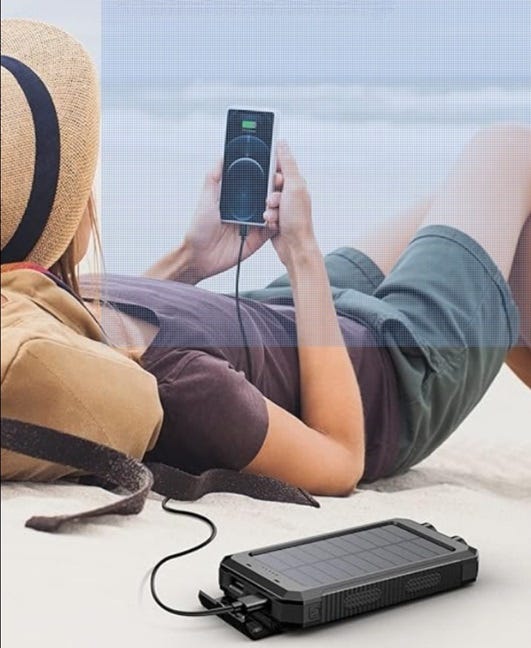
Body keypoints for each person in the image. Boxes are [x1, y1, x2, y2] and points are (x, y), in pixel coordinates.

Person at [2, 20, 529, 499]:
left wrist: (192, 257)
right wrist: (302, 253)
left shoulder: (30, 309)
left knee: (475, 211)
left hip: (294, 320)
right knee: (509, 153)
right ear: (75, 214)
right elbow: (341, 459)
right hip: (395, 376)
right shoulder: (189, 389)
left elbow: (105, 334)